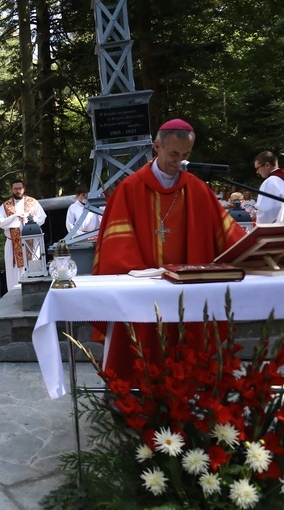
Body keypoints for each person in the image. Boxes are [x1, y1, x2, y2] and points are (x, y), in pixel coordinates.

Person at [94, 119, 245, 380]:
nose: (180, 162)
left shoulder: (197, 189)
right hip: (145, 295)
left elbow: (230, 238)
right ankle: (139, 398)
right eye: (174, 154)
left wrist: (259, 251)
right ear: (156, 147)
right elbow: (115, 247)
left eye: (186, 155)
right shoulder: (129, 189)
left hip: (190, 292)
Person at [0, 179, 47, 290]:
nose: (18, 191)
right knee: (14, 273)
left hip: (32, 243)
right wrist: (14, 217)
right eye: (15, 188)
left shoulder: (33, 202)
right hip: (13, 243)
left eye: (20, 188)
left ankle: (34, 291)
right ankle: (15, 293)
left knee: (32, 267)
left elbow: (42, 218)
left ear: (24, 189)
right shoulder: (6, 206)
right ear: (11, 189)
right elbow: (0, 222)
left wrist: (29, 217)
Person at [253, 151, 284, 224]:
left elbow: (266, 211)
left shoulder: (270, 182)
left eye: (258, 168)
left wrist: (258, 219)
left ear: (267, 165)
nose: (257, 172)